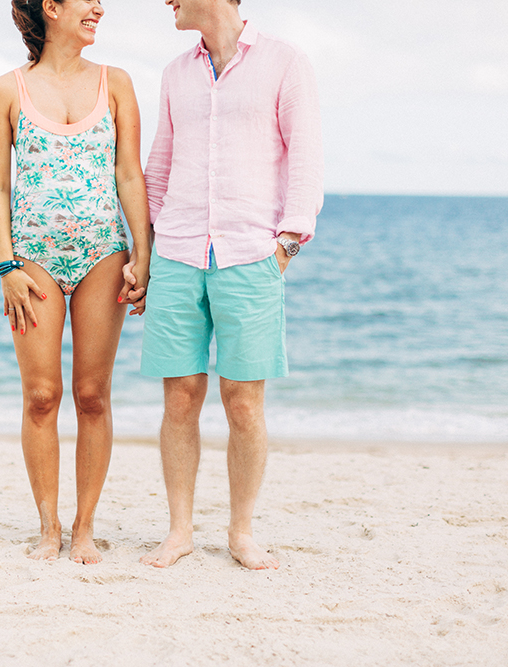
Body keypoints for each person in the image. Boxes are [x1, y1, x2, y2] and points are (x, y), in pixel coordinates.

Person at [128, 0, 323, 570]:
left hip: (251, 253)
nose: (167, 1)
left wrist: (285, 245)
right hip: (178, 251)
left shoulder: (286, 62)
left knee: (243, 404)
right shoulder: (174, 73)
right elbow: (158, 166)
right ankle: (180, 530)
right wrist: (147, 250)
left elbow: (306, 156)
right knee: (180, 397)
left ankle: (241, 532)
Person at [0, 0, 151, 564]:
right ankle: (48, 526)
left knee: (92, 396)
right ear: (50, 8)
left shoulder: (116, 82)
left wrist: (142, 253)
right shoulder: (8, 90)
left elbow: (129, 173)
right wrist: (7, 265)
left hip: (104, 252)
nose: (100, 8)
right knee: (41, 397)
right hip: (32, 259)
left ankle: (84, 527)